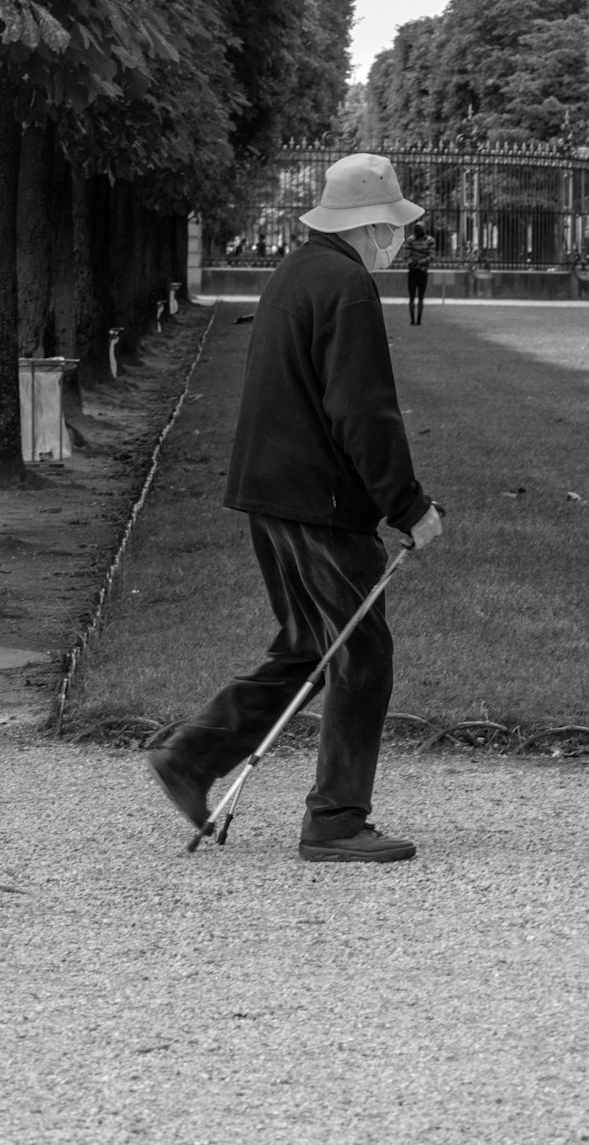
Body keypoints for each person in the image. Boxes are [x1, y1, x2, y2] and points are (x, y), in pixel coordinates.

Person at [147, 153, 444, 864]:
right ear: (371, 225)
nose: (398, 240)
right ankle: (335, 819)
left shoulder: (296, 273)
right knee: (361, 654)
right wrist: (409, 506)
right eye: (392, 227)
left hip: (270, 492)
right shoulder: (346, 286)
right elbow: (364, 414)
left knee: (311, 644)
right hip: (319, 500)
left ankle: (192, 757)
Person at [403, 220, 435, 325]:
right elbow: (406, 256)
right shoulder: (410, 240)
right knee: (412, 297)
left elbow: (431, 256)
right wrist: (413, 262)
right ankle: (412, 320)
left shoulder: (430, 240)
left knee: (421, 296)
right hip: (413, 271)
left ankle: (419, 320)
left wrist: (417, 262)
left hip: (422, 272)